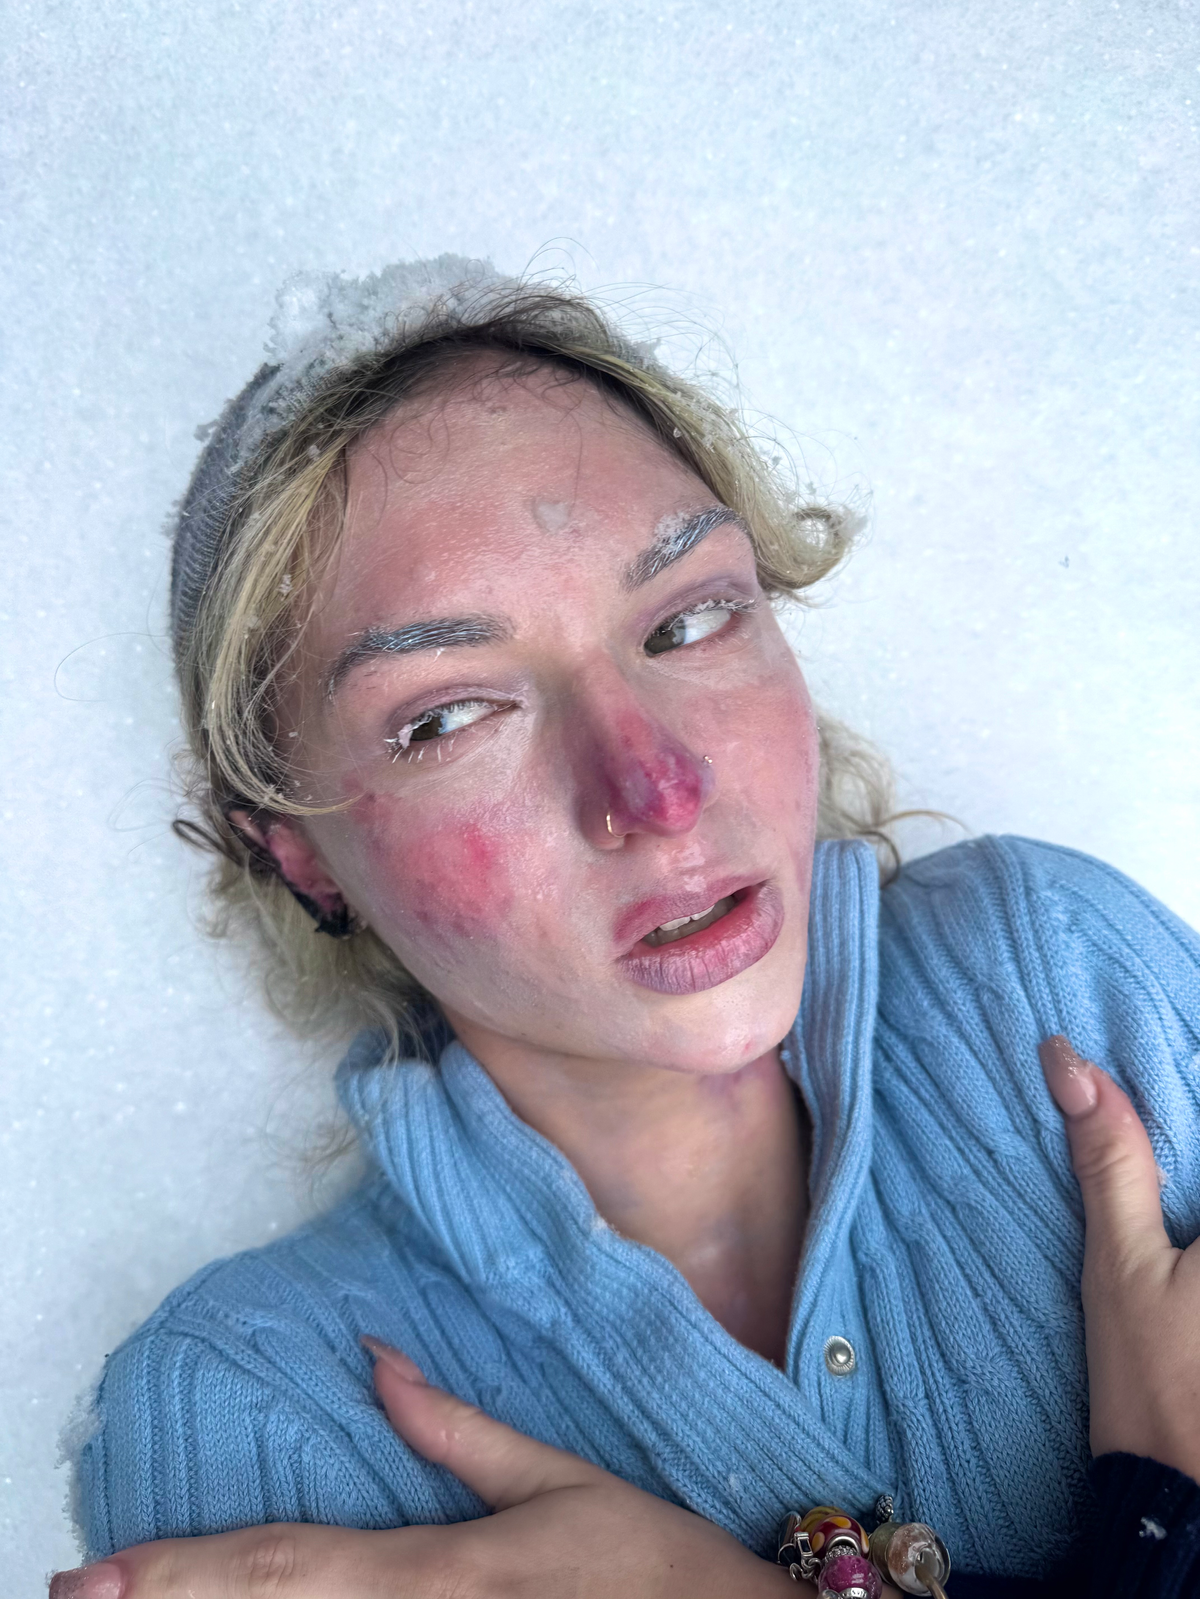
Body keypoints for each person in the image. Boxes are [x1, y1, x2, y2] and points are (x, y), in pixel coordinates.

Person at [51, 259, 1200, 1598]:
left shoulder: (1052, 978)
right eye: (449, 717)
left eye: (692, 619)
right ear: (298, 852)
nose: (657, 792)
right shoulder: (252, 1414)